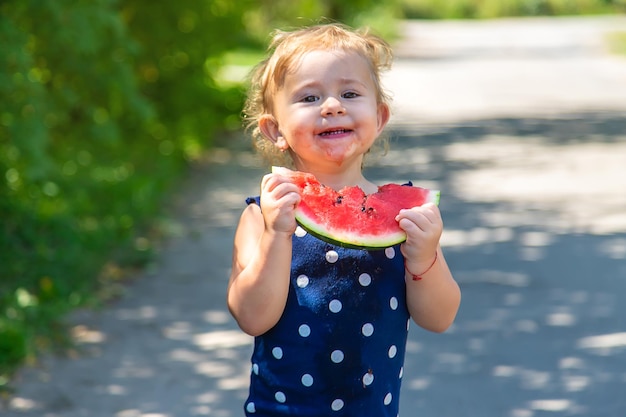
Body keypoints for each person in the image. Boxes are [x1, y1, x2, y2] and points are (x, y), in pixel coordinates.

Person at [227, 23, 461, 416]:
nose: (332, 105)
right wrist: (275, 235)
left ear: (380, 116)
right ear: (275, 129)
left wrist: (425, 260)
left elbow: (440, 318)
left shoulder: (404, 217)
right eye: (310, 96)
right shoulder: (261, 215)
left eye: (350, 93)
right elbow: (251, 317)